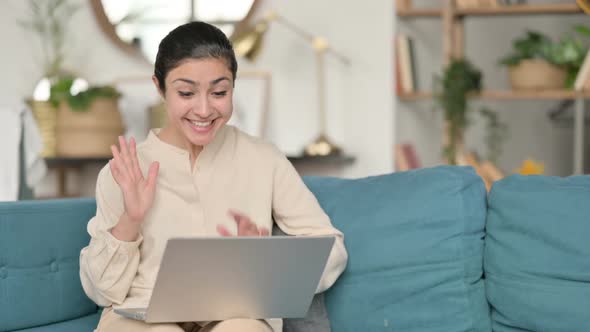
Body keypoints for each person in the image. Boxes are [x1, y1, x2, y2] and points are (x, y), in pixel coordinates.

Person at [79, 21, 348, 332]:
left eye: (219, 92)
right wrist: (130, 219)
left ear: (233, 86)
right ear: (159, 87)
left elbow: (331, 250)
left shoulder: (263, 158)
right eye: (186, 92)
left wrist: (267, 262)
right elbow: (101, 290)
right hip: (142, 315)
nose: (204, 109)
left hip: (236, 312)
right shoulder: (124, 169)